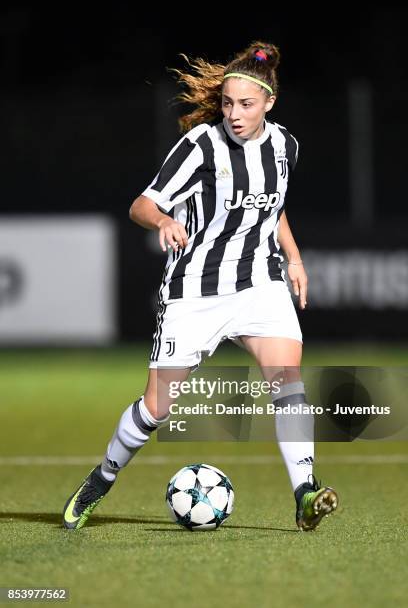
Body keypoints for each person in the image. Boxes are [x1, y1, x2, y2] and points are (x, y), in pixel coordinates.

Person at [62, 40, 338, 532]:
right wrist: (163, 222)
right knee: (156, 408)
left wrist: (293, 258)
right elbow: (141, 205)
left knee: (287, 380)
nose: (234, 113)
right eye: (228, 103)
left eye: (246, 104)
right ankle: (101, 479)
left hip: (259, 284)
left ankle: (305, 492)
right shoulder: (200, 147)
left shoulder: (285, 146)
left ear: (269, 103)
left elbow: (273, 209)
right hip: (196, 290)